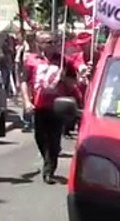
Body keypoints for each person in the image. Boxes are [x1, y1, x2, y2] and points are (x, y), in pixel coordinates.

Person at [22, 32, 81, 182]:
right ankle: (48, 158)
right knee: (40, 137)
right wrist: (26, 101)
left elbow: (74, 82)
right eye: (48, 42)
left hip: (57, 105)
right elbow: (24, 81)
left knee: (54, 138)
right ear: (39, 44)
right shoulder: (32, 61)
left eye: (54, 42)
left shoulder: (64, 61)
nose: (53, 45)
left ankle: (49, 169)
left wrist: (64, 79)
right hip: (39, 105)